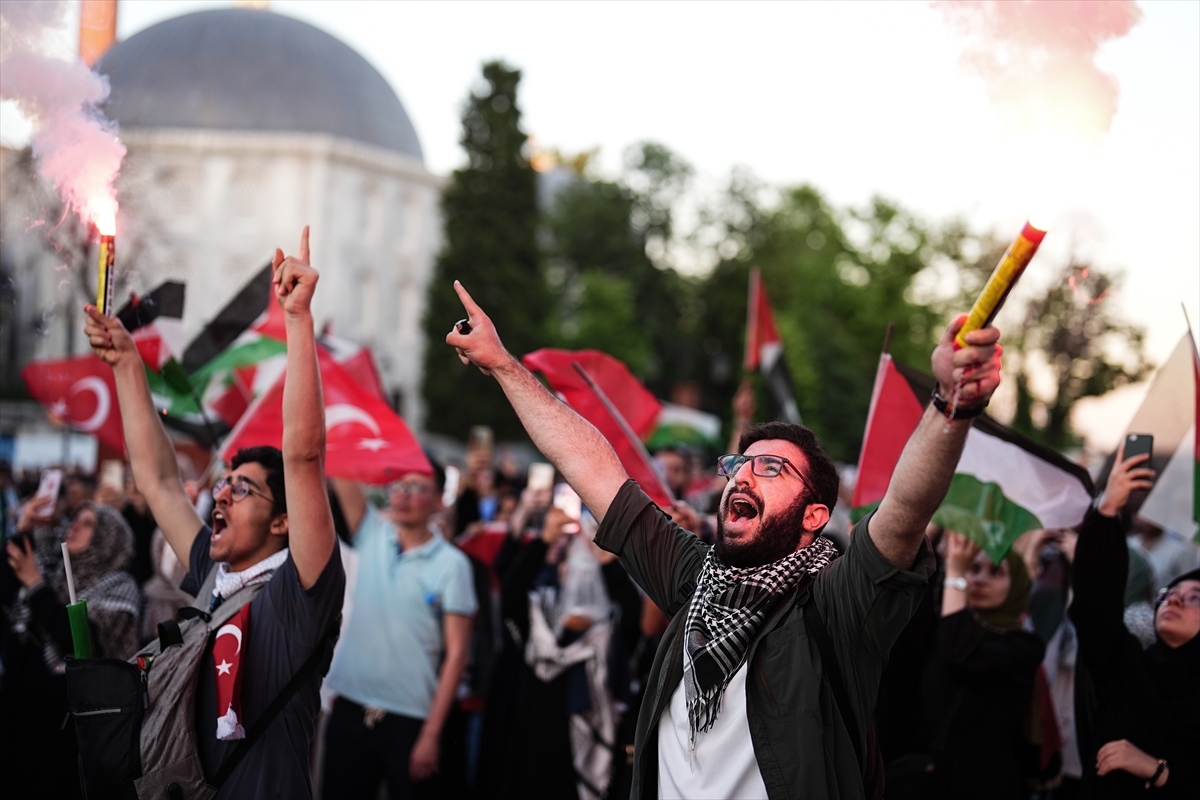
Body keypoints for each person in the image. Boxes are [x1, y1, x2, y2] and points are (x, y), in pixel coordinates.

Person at [444, 281, 1003, 799]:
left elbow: (905, 510)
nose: (743, 475)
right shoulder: (694, 579)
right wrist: (502, 366)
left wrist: (950, 405)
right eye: (741, 464)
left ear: (814, 516)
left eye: (771, 470)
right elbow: (590, 466)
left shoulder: (837, 606)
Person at [82, 227, 344, 799]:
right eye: (223, 483)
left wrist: (297, 319)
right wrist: (127, 364)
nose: (219, 495)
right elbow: (157, 481)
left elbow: (302, 456)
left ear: (284, 523)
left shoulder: (298, 595)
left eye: (243, 490)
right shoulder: (212, 581)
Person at [324, 466, 476, 800]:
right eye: (399, 486)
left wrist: (431, 735)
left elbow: (456, 655)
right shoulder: (372, 530)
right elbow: (340, 466)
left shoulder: (453, 565)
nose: (404, 495)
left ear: (438, 499)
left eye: (418, 488)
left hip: (410, 721)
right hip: (350, 707)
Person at [1069, 441, 1199, 798]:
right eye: (1169, 594)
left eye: (1194, 597)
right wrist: (1108, 508)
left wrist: (1156, 770)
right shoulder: (1126, 667)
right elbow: (1095, 605)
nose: (1174, 598)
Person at [888, 531, 1044, 799]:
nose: (980, 579)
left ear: (1016, 583)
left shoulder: (1024, 646)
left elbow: (961, 652)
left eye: (996, 572)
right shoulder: (943, 629)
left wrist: (957, 573)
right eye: (973, 569)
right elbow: (916, 604)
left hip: (983, 784)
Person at [7, 501, 141, 659]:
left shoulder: (120, 585)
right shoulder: (58, 570)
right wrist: (22, 529)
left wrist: (36, 586)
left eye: (87, 524)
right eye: (75, 519)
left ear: (107, 538)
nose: (74, 526)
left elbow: (82, 642)